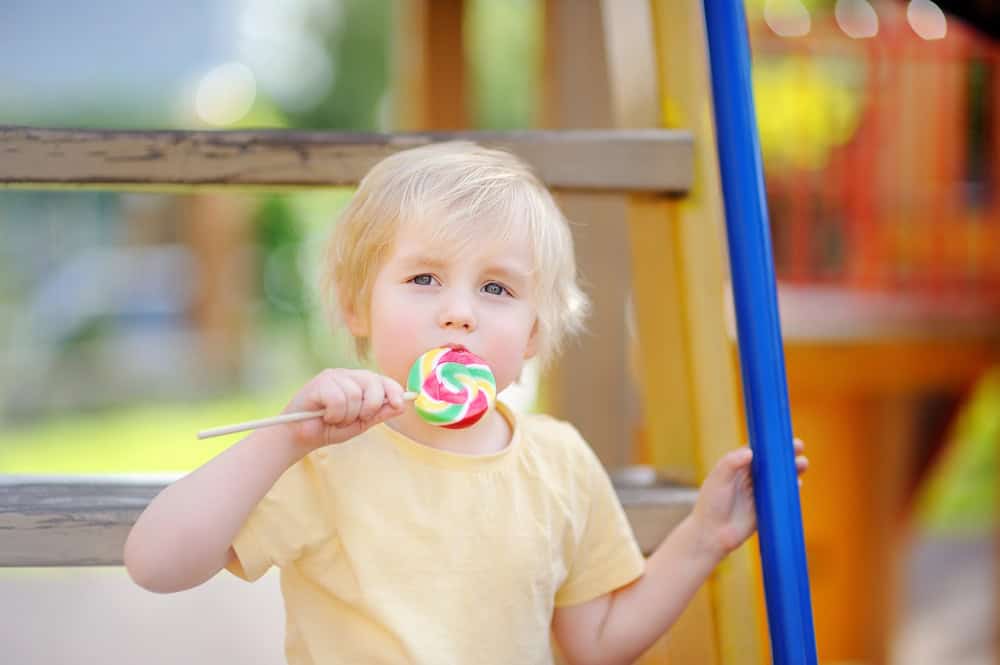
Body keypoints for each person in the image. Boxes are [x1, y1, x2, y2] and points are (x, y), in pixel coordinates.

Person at [124, 142, 807, 665]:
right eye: (424, 277)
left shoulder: (560, 461)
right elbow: (155, 562)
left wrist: (702, 538)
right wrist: (283, 439)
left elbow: (595, 641)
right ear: (357, 306)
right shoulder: (325, 454)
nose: (459, 313)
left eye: (497, 289)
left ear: (534, 333)